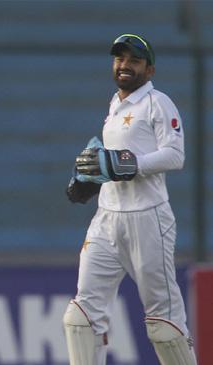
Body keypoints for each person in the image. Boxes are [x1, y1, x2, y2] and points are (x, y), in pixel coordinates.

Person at [63, 34, 197, 365]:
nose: (125, 65)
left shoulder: (157, 103)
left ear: (149, 70)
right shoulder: (115, 104)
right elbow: (112, 162)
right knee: (81, 316)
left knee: (163, 323)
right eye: (119, 59)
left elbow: (174, 155)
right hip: (107, 218)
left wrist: (130, 163)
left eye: (134, 61)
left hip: (148, 219)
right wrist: (91, 179)